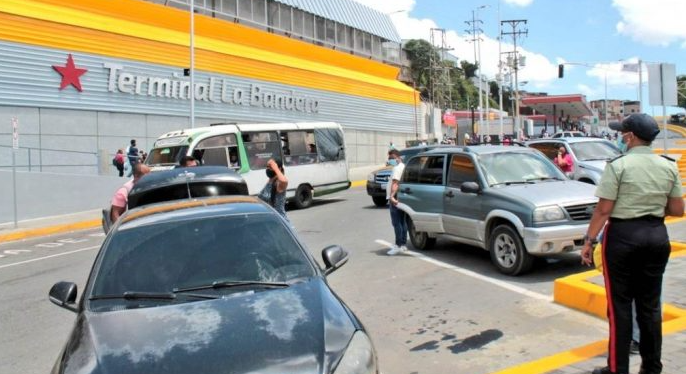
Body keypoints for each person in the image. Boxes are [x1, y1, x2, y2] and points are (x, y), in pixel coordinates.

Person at [580, 114, 684, 374]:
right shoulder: (667, 165)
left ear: (630, 136)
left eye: (622, 133)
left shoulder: (618, 166)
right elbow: (677, 209)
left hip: (623, 237)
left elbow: (603, 211)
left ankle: (617, 369)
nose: (620, 137)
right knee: (650, 307)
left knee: (620, 308)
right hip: (656, 236)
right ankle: (651, 368)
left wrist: (588, 240)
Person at [386, 149, 408, 255]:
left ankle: (398, 245)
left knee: (396, 223)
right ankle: (403, 244)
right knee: (402, 222)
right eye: (389, 158)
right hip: (401, 197)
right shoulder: (403, 166)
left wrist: (391, 197)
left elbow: (395, 183)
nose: (390, 160)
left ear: (398, 157)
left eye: (392, 158)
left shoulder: (397, 168)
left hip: (395, 198)